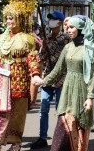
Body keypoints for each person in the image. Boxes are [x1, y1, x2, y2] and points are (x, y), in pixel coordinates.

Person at [0, 0, 42, 151]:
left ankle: (16, 142)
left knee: (17, 114)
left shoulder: (28, 39)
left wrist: (35, 74)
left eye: (13, 18)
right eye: (8, 18)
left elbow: (32, 59)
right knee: (0, 113)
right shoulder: (0, 39)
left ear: (21, 19)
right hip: (2, 82)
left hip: (20, 80)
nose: (9, 21)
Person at [34, 15, 94, 151]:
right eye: (67, 27)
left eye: (72, 27)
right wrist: (43, 81)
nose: (68, 30)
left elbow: (92, 75)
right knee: (63, 125)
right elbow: (57, 70)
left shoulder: (90, 48)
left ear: (80, 28)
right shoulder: (68, 47)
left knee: (80, 126)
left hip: (82, 90)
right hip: (68, 90)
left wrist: (90, 98)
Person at [30, 11, 70, 149]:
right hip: (47, 78)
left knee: (60, 110)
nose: (50, 21)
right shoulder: (46, 38)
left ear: (60, 22)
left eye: (53, 19)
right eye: (50, 19)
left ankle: (62, 136)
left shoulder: (66, 39)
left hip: (61, 79)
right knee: (44, 107)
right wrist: (43, 49)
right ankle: (42, 137)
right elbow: (40, 58)